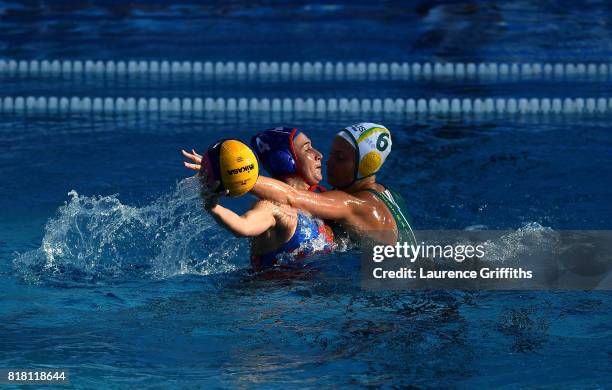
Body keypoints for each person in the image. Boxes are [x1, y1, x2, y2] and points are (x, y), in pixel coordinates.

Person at [182, 127, 334, 270]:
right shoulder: (272, 208)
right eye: (307, 149)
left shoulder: (320, 199)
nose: (319, 154)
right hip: (272, 294)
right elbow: (244, 226)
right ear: (285, 159)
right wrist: (213, 207)